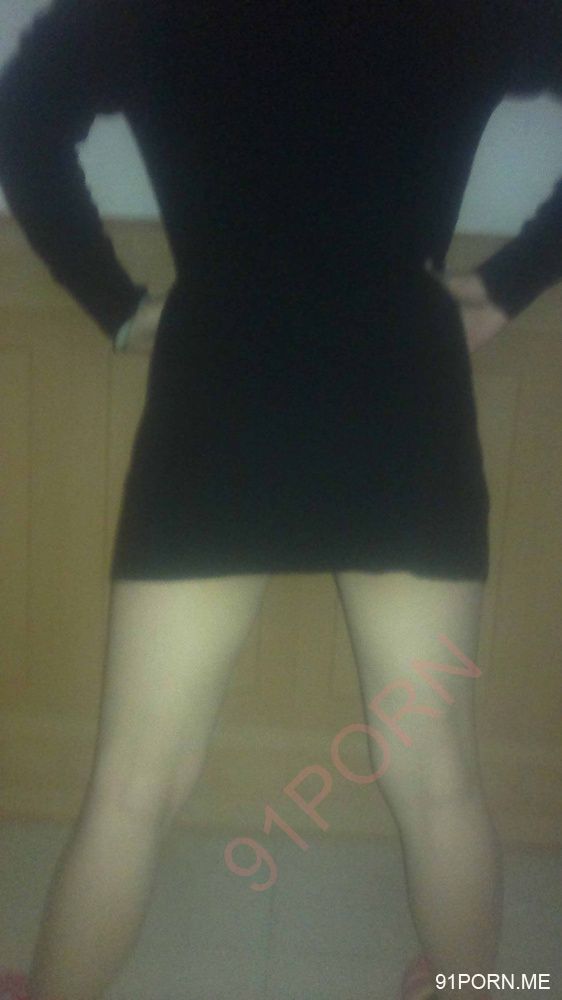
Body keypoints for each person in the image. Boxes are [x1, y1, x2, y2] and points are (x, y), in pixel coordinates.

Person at [0, 2, 560, 999]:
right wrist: (512, 281)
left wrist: (115, 303)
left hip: (223, 385)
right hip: (401, 390)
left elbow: (23, 116)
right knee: (437, 776)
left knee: (133, 787)